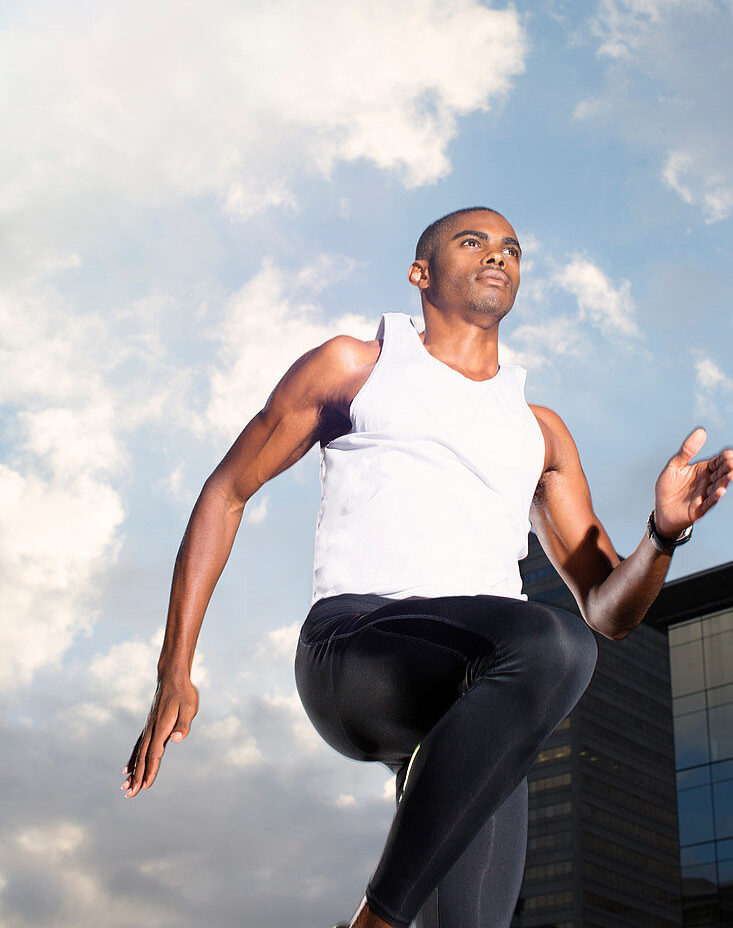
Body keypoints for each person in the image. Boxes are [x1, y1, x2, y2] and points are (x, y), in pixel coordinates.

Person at [122, 206, 733, 928]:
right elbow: (226, 492)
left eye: (511, 248)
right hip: (355, 649)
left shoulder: (539, 431)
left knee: (478, 915)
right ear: (420, 272)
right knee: (549, 641)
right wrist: (174, 670)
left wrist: (662, 534)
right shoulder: (357, 365)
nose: (497, 256)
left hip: (479, 691)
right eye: (472, 242)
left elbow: (608, 610)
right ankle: (376, 921)